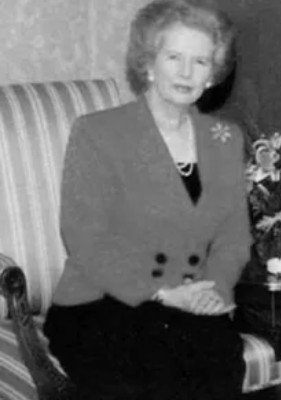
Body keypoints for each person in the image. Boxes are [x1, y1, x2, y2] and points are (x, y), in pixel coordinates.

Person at [43, 1, 251, 399]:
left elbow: (233, 238)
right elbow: (84, 237)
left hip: (191, 303)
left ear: (213, 75)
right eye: (174, 57)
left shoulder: (225, 139)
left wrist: (216, 291)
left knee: (219, 367)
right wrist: (162, 292)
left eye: (200, 61)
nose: (186, 72)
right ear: (149, 64)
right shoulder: (98, 133)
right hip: (104, 303)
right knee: (152, 376)